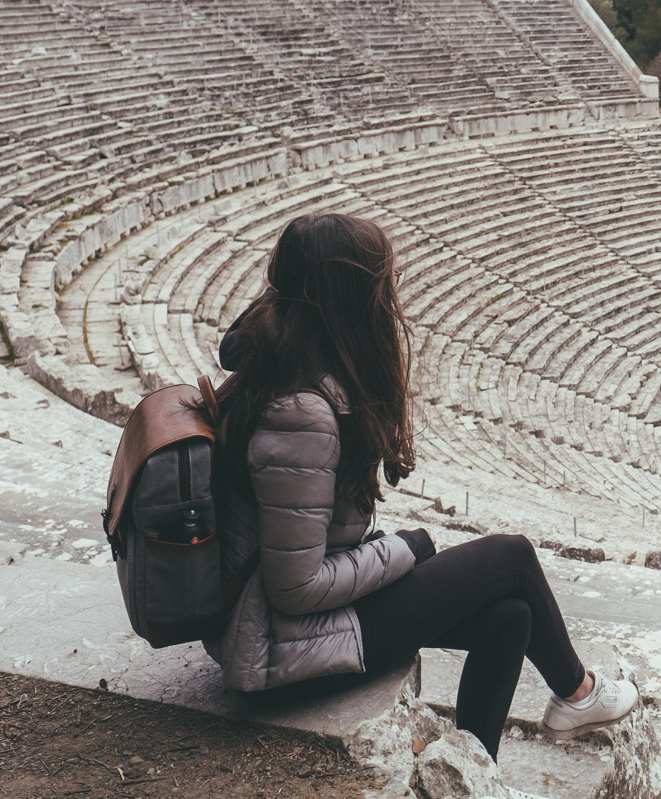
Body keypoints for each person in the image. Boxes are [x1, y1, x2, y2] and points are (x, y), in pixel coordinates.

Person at [206, 213, 638, 762]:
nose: (390, 301)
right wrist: (402, 550)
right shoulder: (301, 415)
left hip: (298, 630)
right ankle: (579, 693)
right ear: (350, 300)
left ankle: (475, 773)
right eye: (379, 286)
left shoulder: (289, 366)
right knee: (512, 556)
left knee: (512, 619)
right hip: (282, 652)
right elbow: (296, 586)